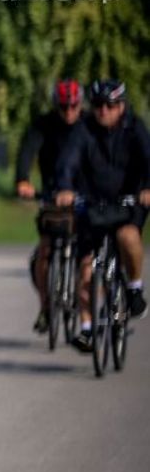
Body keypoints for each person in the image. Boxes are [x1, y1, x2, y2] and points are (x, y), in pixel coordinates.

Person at [55, 78, 150, 342]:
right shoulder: (84, 129)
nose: (103, 111)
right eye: (97, 105)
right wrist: (65, 187)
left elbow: (148, 158)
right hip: (93, 204)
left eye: (109, 105)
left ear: (121, 106)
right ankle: (87, 329)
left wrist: (147, 188)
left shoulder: (134, 127)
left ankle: (134, 287)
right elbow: (68, 161)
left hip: (128, 202)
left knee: (127, 236)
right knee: (86, 268)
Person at [16, 79, 85, 332]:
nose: (69, 112)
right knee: (44, 251)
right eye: (63, 107)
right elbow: (27, 151)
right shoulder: (43, 125)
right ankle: (46, 307)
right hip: (52, 195)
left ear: (81, 105)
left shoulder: (89, 125)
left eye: (73, 106)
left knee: (89, 253)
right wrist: (22, 179)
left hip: (84, 194)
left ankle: (87, 305)